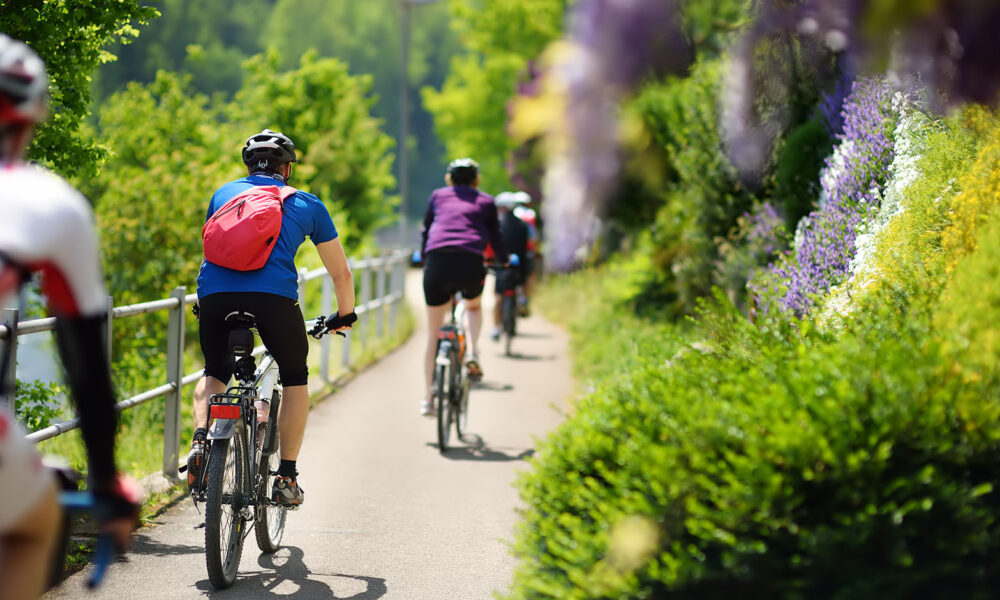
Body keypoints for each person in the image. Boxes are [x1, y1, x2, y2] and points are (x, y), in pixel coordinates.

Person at [0, 34, 138, 599]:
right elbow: (86, 367)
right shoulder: (47, 201)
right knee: (36, 525)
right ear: (31, 114)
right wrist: (107, 482)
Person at [189, 129, 356, 507]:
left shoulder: (223, 195)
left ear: (248, 166)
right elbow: (341, 274)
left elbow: (212, 250)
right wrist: (344, 315)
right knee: (295, 377)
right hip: (274, 301)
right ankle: (286, 477)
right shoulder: (307, 204)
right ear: (288, 168)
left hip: (215, 297)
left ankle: (200, 441)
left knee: (214, 373)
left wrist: (209, 299)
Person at [420, 158, 508, 416]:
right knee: (472, 306)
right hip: (470, 262)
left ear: (450, 179)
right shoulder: (486, 201)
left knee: (433, 334)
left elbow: (427, 229)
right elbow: (495, 236)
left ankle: (428, 399)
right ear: (476, 180)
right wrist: (504, 260)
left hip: (437, 262)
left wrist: (422, 256)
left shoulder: (437, 196)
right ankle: (471, 350)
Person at [490, 192, 531, 341]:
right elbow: (527, 247)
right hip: (519, 266)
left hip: (501, 266)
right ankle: (522, 299)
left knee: (498, 298)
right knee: (521, 283)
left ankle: (496, 328)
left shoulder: (497, 225)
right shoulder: (523, 225)